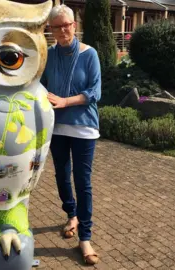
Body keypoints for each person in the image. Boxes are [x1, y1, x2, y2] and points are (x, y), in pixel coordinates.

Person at [40, 4, 101, 266]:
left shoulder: (90, 54)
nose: (63, 30)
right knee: (61, 176)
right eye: (58, 26)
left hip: (84, 127)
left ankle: (85, 238)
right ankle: (71, 215)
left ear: (75, 26)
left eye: (68, 24)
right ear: (50, 30)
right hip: (56, 128)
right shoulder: (48, 55)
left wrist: (65, 102)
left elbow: (95, 91)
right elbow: (39, 86)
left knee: (82, 180)